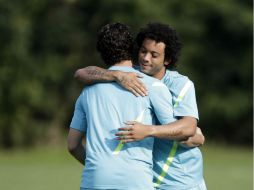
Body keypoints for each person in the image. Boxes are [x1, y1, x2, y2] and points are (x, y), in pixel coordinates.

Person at [74, 22, 207, 190]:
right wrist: (116, 75)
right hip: (147, 180)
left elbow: (189, 129)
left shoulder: (180, 85)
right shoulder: (130, 74)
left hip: (180, 180)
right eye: (143, 51)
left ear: (167, 59)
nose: (145, 58)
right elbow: (81, 73)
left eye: (154, 55)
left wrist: (148, 130)